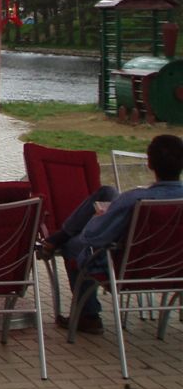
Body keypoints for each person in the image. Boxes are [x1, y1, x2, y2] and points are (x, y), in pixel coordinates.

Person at [41, 134, 183, 334]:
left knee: (72, 245)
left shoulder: (134, 199)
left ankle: (88, 316)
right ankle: (61, 236)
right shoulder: (135, 200)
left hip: (126, 268)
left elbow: (92, 236)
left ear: (150, 164)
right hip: (175, 268)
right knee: (107, 192)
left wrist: (99, 217)